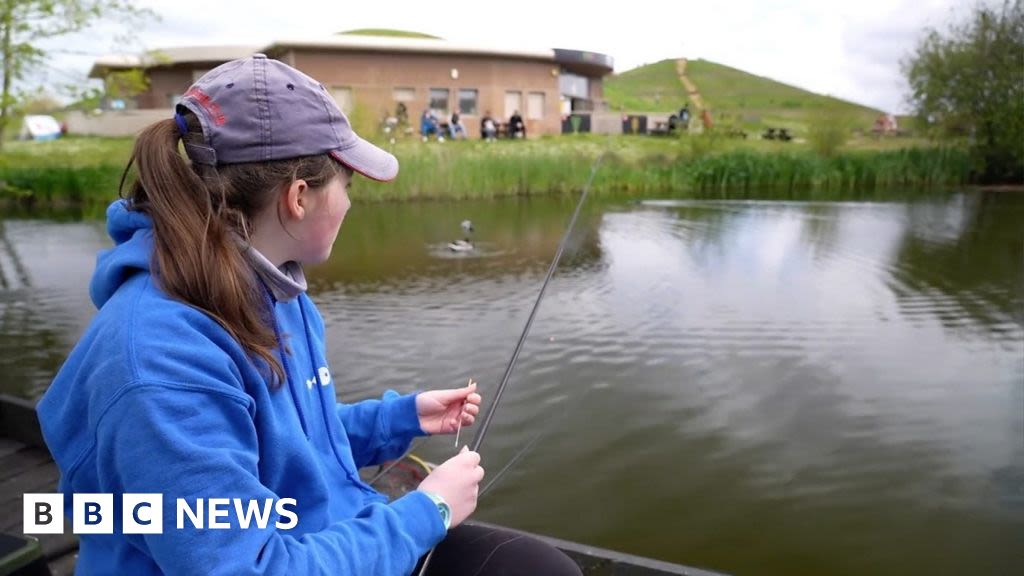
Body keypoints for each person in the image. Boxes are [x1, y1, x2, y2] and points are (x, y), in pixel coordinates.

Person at [36, 55, 581, 576]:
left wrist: (402, 418)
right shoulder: (160, 361)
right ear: (299, 197)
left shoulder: (274, 289)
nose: (349, 203)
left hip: (318, 537)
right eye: (348, 185)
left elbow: (285, 438)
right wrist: (428, 512)